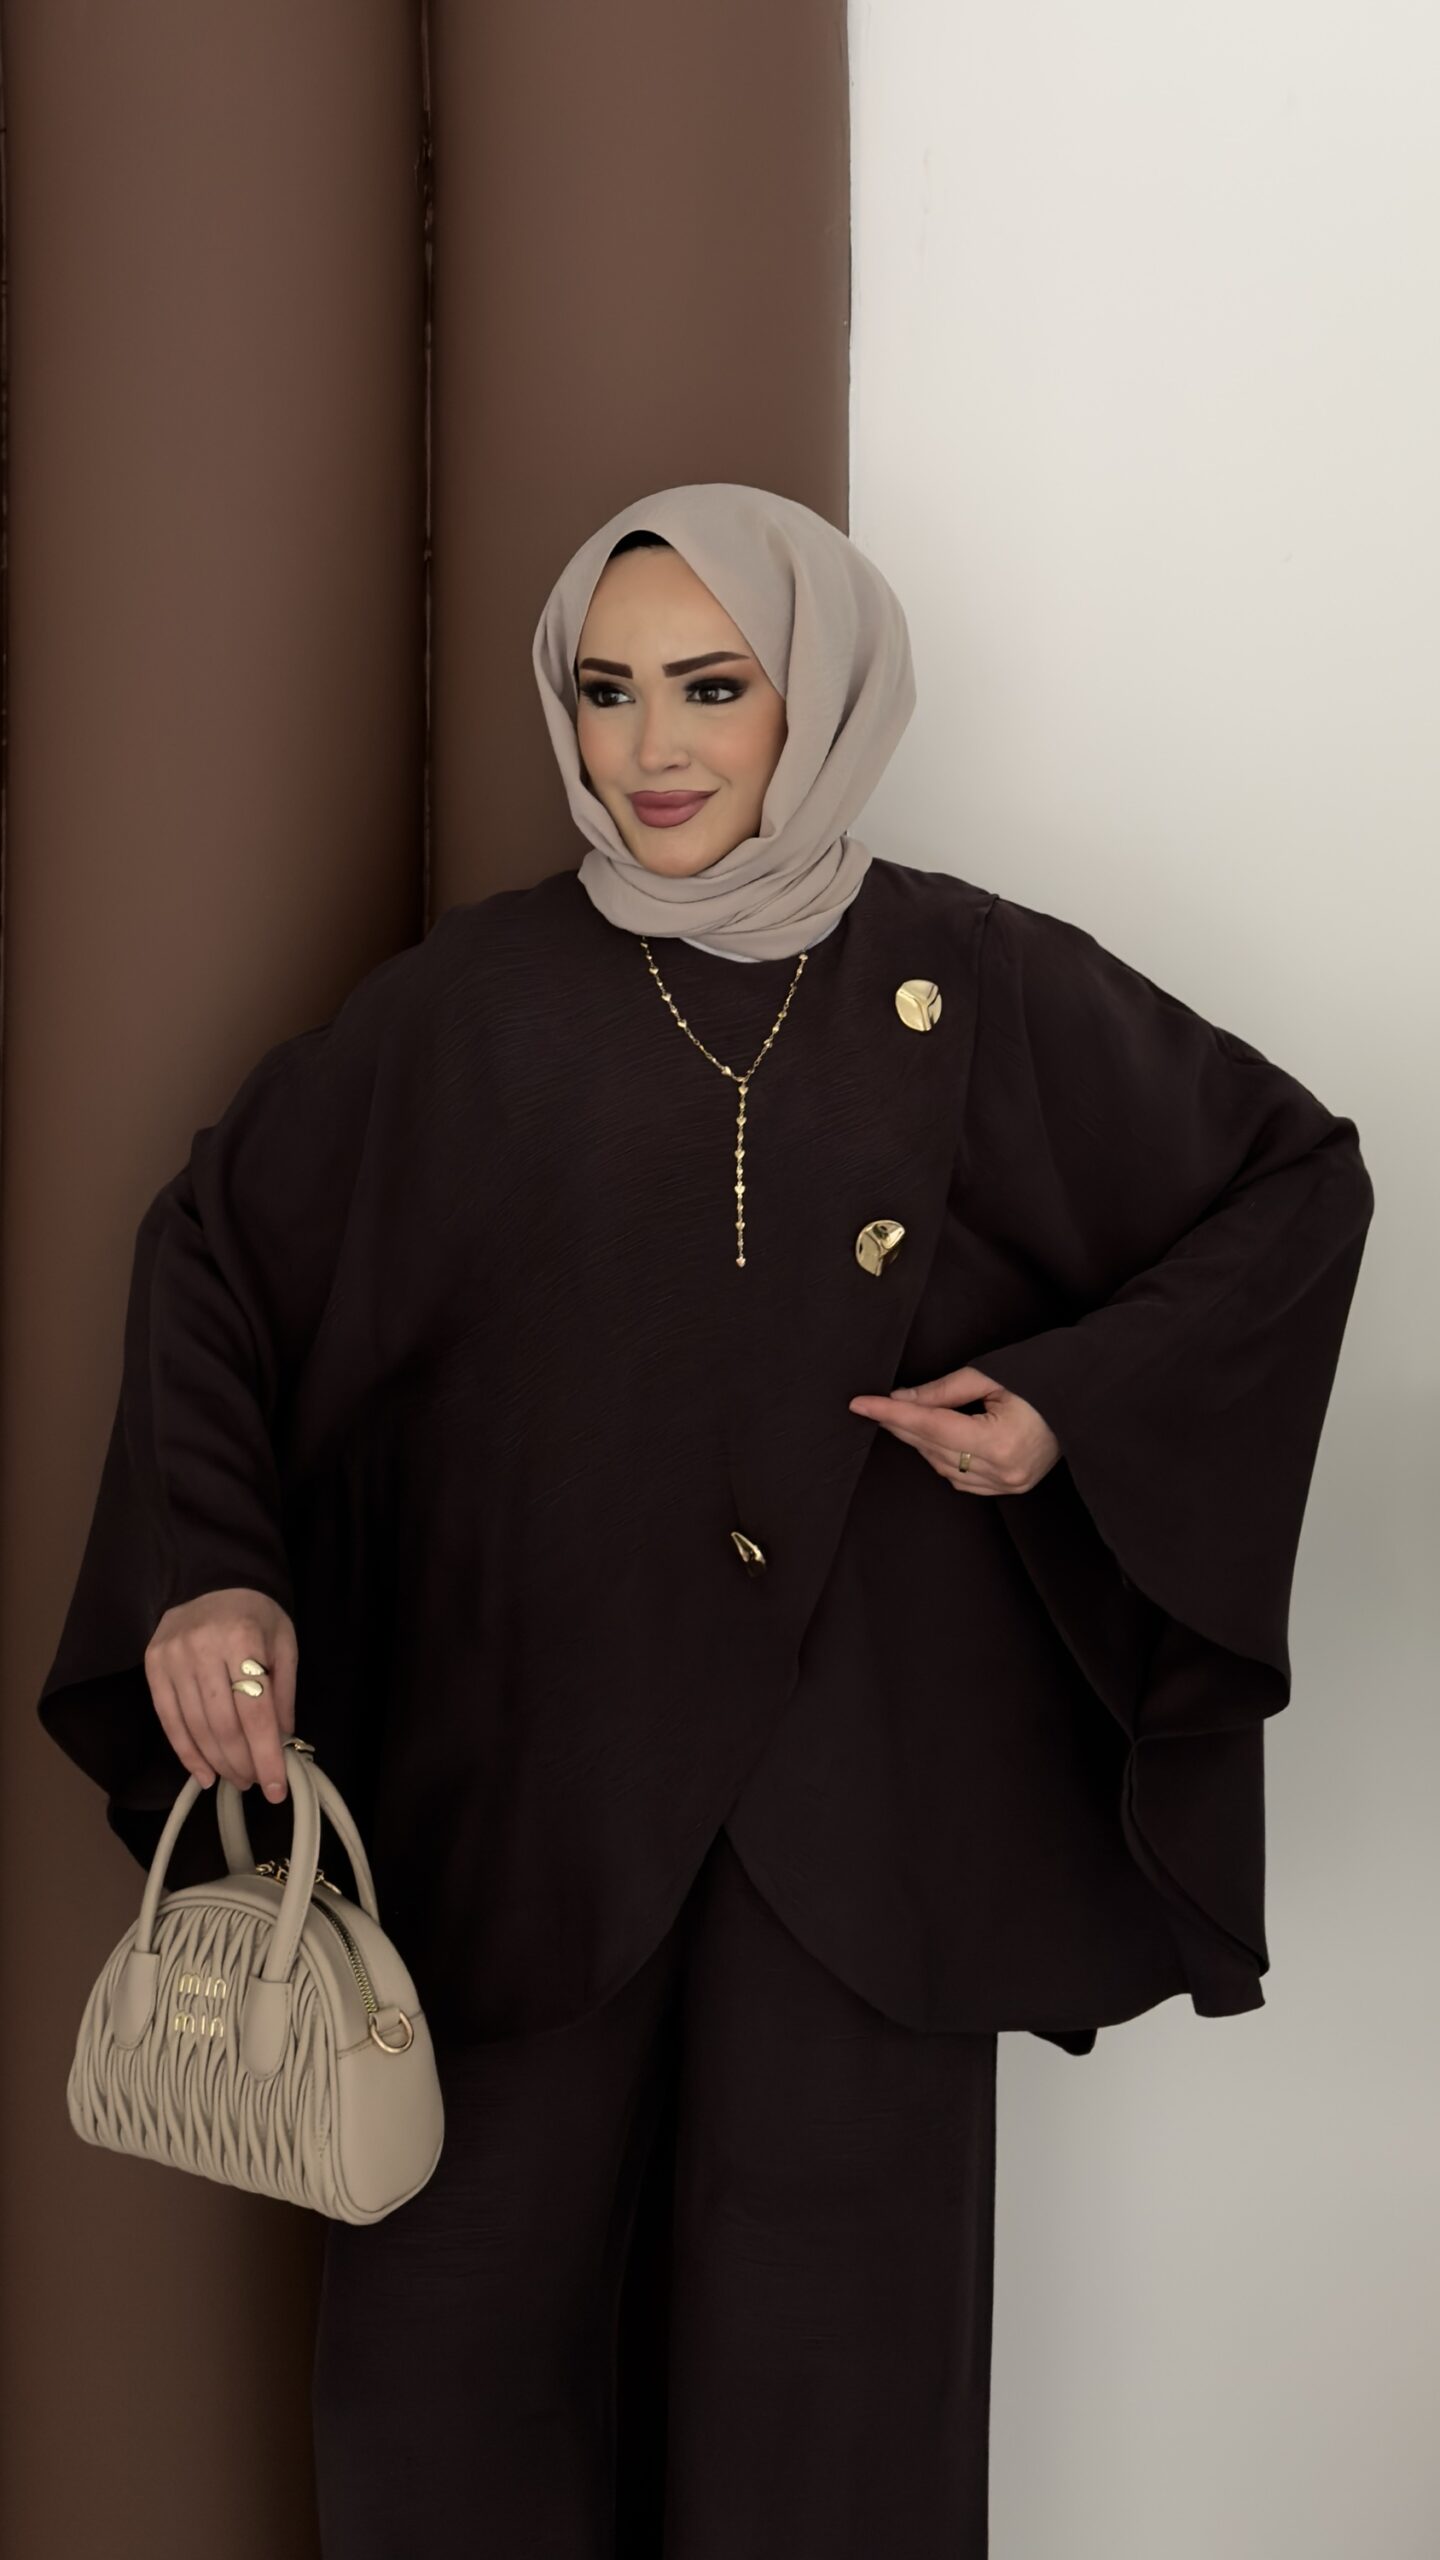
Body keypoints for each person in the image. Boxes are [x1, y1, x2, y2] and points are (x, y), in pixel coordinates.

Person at [38, 482, 1375, 2556]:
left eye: (712, 688)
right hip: (519, 1815)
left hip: (864, 1840)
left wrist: (1065, 1405)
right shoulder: (469, 1013)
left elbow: (1292, 1182)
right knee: (454, 2386)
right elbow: (216, 1251)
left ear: (818, 698)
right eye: (607, 692)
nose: (651, 750)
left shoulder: (974, 983)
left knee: (830, 2430)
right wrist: (215, 1565)